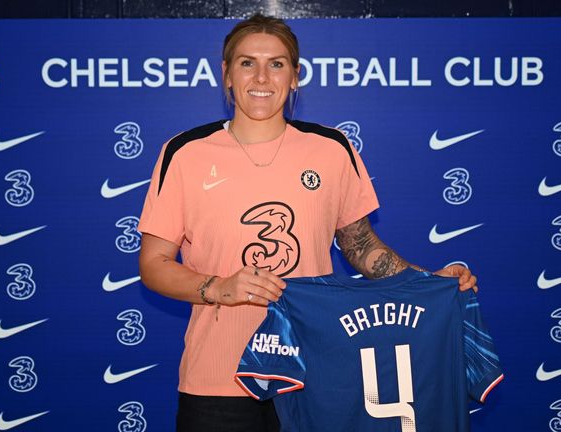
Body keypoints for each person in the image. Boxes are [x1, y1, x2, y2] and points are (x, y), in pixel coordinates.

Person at [138, 14, 477, 432]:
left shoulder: (331, 149)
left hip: (316, 377)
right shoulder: (184, 153)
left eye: (277, 64)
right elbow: (153, 264)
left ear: (295, 76)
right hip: (217, 381)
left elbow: (361, 247)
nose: (262, 77)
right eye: (247, 63)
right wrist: (218, 287)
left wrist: (429, 283)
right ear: (225, 74)